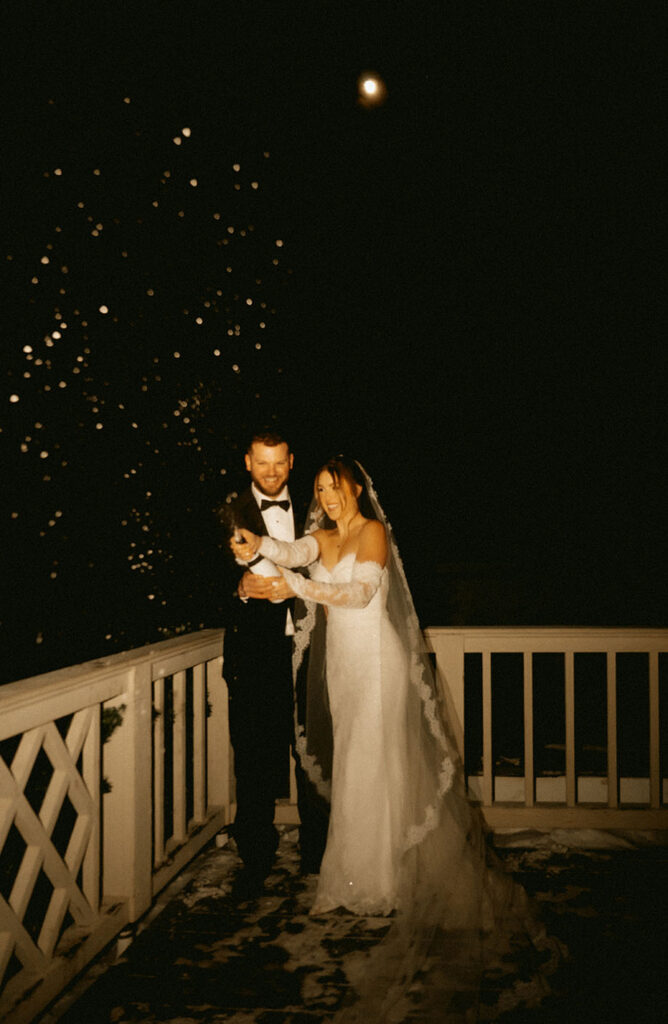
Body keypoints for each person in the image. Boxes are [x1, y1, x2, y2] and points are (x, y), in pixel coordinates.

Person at [231, 455, 562, 1020]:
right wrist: (255, 544)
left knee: (375, 761)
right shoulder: (323, 537)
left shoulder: (373, 532)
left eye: (335, 489)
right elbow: (290, 553)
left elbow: (359, 597)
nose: (329, 499)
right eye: (320, 490)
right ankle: (352, 876)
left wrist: (289, 584)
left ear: (356, 488)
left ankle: (383, 879)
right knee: (355, 765)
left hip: (376, 662)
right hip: (342, 666)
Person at [222, 431, 328, 894]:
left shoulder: (318, 508)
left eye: (279, 464)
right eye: (262, 463)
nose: (271, 472)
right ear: (248, 462)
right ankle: (256, 860)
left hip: (311, 653)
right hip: (254, 658)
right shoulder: (227, 510)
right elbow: (199, 574)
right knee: (254, 760)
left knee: (313, 755)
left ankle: (319, 857)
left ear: (291, 462)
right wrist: (239, 589)